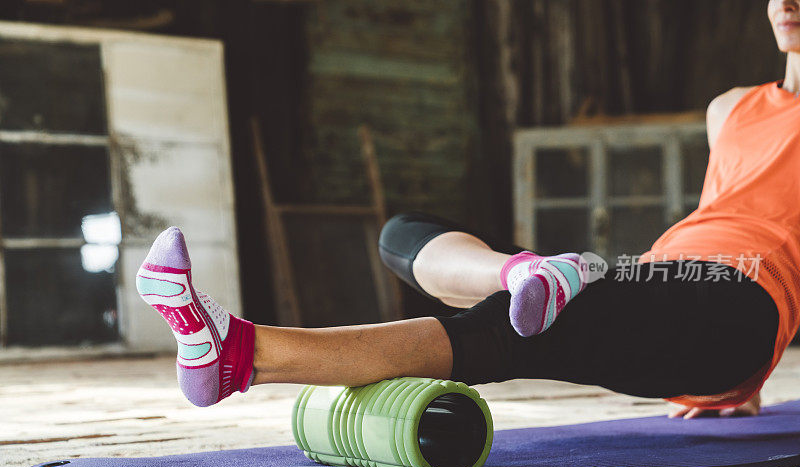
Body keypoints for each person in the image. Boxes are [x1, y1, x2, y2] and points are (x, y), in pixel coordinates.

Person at [136, 0, 800, 419]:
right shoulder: (731, 107)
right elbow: (723, 205)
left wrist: (754, 361)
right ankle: (521, 273)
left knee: (522, 328)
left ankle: (240, 352)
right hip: (664, 278)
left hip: (741, 301)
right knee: (403, 231)